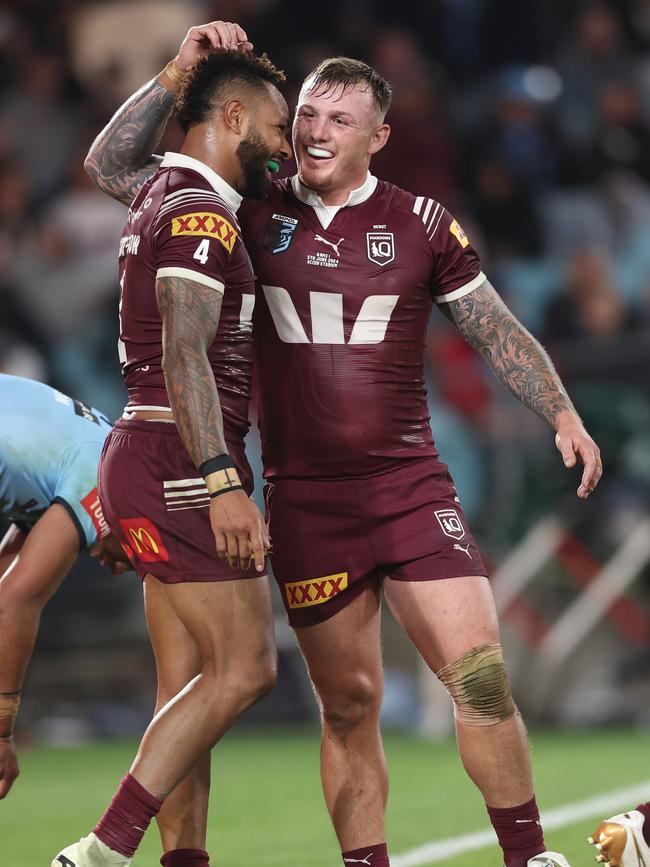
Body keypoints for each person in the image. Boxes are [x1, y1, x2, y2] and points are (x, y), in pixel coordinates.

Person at [79, 21, 604, 867]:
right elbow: (113, 171)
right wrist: (178, 72)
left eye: (336, 120)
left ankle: (529, 855)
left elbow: (493, 325)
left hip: (409, 485)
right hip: (304, 497)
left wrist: (562, 411)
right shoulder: (247, 204)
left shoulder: (423, 221)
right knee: (350, 705)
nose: (314, 132)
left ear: (377, 136)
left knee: (479, 676)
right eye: (307, 115)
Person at [53, 28, 291, 867]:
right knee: (248, 667)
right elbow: (186, 352)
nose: (285, 148)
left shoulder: (160, 189)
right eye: (278, 127)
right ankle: (103, 849)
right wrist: (224, 480)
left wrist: (175, 71)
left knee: (186, 689)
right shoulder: (197, 213)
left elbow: (103, 162)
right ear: (234, 116)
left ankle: (181, 860)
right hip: (185, 462)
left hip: (141, 452)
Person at [0, 373, 130, 799]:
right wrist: (1, 733)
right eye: (135, 562)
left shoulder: (106, 447)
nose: (113, 566)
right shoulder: (103, 481)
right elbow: (15, 600)